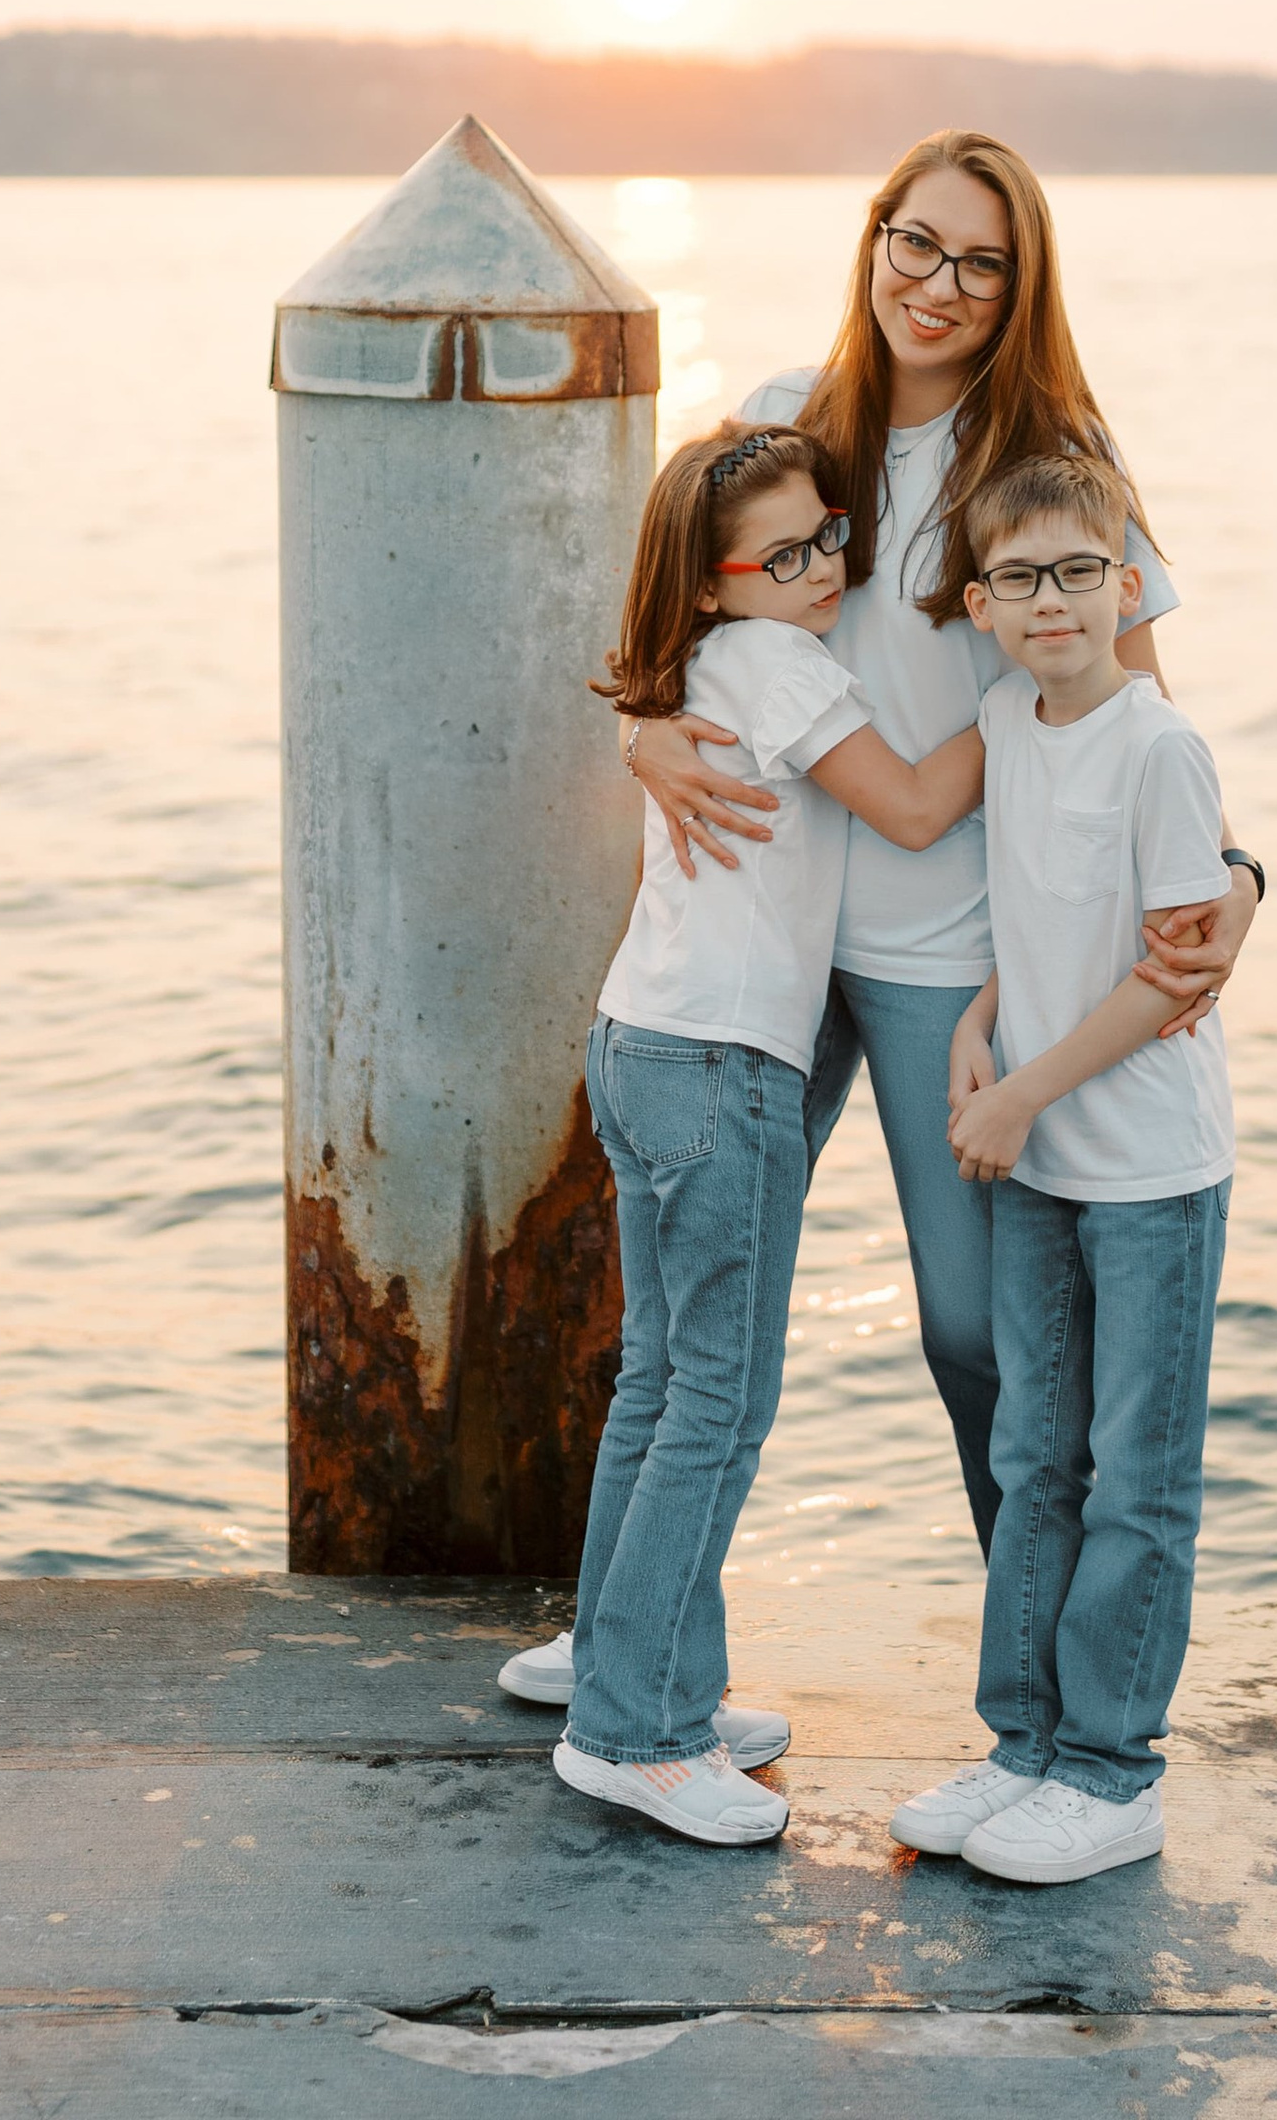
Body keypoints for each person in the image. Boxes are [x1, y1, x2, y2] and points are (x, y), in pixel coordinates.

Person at [616, 135, 1261, 1838]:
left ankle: (1050, 1716)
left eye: (982, 260)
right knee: (695, 1326)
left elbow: (1138, 701)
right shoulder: (787, 412)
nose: (942, 283)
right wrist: (637, 728)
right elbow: (679, 613)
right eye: (920, 242)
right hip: (771, 936)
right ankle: (634, 1656)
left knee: (983, 1333)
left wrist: (1239, 874)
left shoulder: (1050, 461)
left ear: (1019, 282)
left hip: (948, 963)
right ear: (874, 238)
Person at [536, 419, 989, 1847]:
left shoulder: (698, 661)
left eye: (830, 538)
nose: (821, 568)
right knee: (716, 1404)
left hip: (637, 1041)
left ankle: (634, 1672)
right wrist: (1047, 698)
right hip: (720, 1069)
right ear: (718, 575)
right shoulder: (780, 663)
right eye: (783, 554)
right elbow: (913, 807)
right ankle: (635, 1734)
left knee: (660, 1381)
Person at [902, 450, 1237, 1884]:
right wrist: (983, 1022)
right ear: (982, 602)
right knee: (1033, 1452)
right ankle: (1025, 1743)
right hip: (1037, 1157)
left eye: (1081, 572)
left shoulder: (1161, 747)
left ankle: (1113, 1771)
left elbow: (1173, 977)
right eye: (1022, 577)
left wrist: (1024, 1090)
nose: (1055, 601)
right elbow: (1032, 918)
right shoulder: (1006, 721)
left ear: (1129, 584)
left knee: (1134, 1472)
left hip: (1147, 1166)